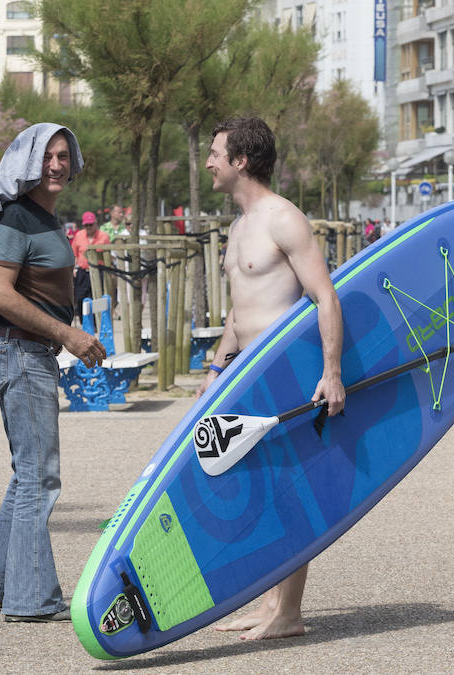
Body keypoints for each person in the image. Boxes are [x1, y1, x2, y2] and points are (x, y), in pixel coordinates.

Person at [197, 116, 345, 640]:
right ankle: (270, 604)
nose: (209, 161)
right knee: (260, 490)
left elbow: (325, 295)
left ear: (241, 160)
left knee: (288, 489)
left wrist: (332, 372)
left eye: (216, 152)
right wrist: (216, 368)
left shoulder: (284, 219)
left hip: (286, 370)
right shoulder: (238, 226)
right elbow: (239, 313)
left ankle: (290, 613)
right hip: (246, 373)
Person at [0, 123, 106, 623]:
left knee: (26, 476)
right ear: (28, 161)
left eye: (64, 155)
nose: (56, 164)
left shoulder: (46, 219)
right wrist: (68, 335)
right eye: (48, 155)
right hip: (24, 355)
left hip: (26, 354)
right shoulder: (15, 218)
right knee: (39, 479)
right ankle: (30, 599)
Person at [71, 210, 110, 318]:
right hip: (82, 272)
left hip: (98, 271)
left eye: (91, 224)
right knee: (80, 298)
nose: (89, 227)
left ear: (95, 223)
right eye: (86, 225)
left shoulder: (104, 236)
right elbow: (74, 254)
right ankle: (84, 322)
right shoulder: (79, 235)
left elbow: (109, 257)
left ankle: (96, 323)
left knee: (96, 298)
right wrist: (73, 269)